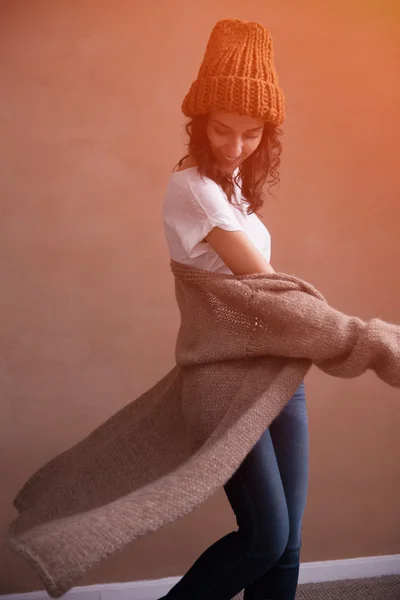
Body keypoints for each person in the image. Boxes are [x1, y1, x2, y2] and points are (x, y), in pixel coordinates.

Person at [161, 18, 306, 600]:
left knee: (289, 546)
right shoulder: (193, 187)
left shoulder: (234, 188)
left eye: (251, 135)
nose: (235, 147)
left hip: (278, 372)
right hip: (227, 380)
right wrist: (363, 337)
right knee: (263, 540)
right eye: (222, 130)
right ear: (198, 123)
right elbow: (267, 288)